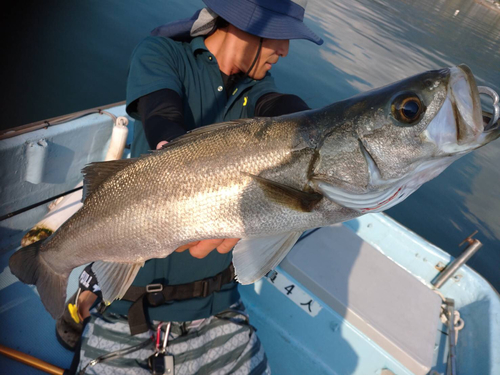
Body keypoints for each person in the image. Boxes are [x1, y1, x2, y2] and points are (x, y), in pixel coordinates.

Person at [59, 1, 323, 373]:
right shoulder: (163, 52)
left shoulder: (258, 90)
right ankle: (83, 293)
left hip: (218, 308)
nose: (284, 50)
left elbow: (281, 108)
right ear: (242, 24)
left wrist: (315, 127)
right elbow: (162, 113)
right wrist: (168, 141)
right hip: (128, 309)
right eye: (280, 35)